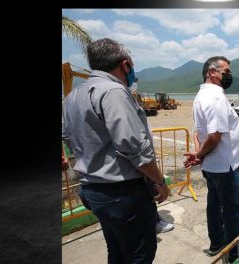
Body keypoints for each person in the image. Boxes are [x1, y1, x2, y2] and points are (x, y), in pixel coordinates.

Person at [63, 38, 169, 264]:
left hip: (93, 189)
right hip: (123, 194)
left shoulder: (73, 96)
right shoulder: (113, 92)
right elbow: (134, 149)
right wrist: (159, 181)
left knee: (117, 251)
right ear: (125, 65)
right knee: (139, 255)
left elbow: (67, 136)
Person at [184, 56, 239, 263]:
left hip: (212, 166)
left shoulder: (201, 96)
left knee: (214, 205)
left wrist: (198, 154)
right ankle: (237, 253)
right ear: (212, 72)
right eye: (226, 71)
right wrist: (200, 154)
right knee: (231, 211)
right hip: (224, 166)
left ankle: (217, 243)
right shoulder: (215, 97)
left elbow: (197, 132)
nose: (229, 75)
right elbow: (214, 135)